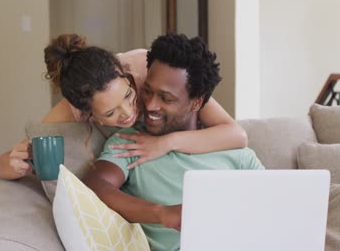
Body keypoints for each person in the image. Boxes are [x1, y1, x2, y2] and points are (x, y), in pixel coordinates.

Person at [81, 34, 264, 251]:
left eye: (166, 99)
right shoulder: (131, 142)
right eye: (147, 91)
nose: (150, 105)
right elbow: (95, 185)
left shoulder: (237, 155)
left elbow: (274, 208)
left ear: (196, 102)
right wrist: (161, 213)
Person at [0, 34, 248, 180]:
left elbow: (236, 134)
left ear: (125, 73)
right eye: (110, 112)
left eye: (129, 95)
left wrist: (165, 142)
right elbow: (6, 162)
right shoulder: (72, 108)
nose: (128, 113)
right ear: (86, 112)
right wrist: (11, 163)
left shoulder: (149, 68)